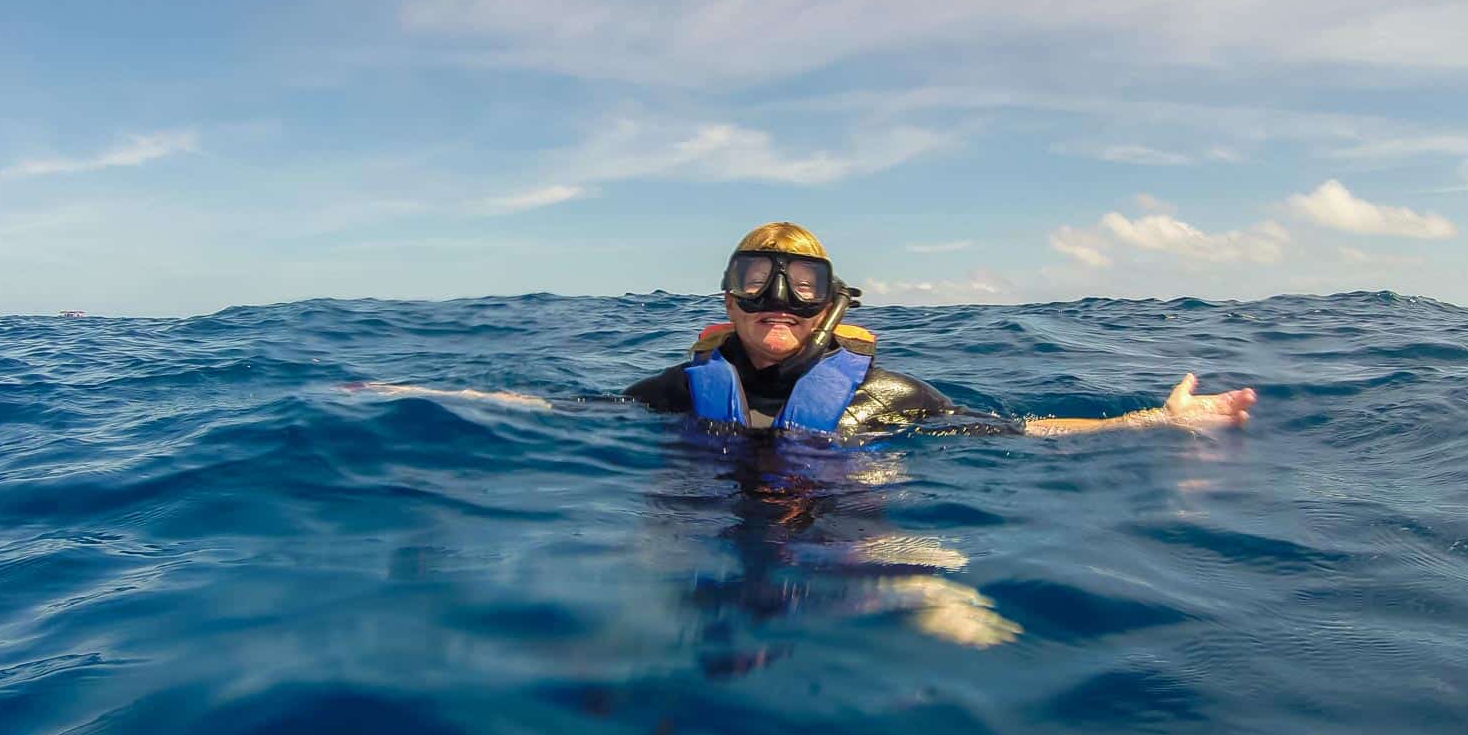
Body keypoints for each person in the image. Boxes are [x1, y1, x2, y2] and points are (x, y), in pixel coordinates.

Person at [362, 222, 1257, 437]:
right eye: (757, 281)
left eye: (801, 285)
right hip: (701, 519)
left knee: (929, 595)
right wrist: (417, 391)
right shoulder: (684, 389)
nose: (777, 301)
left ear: (833, 303)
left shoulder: (884, 397)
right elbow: (563, 407)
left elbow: (1020, 431)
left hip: (844, 527)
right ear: (728, 300)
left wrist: (1153, 420)